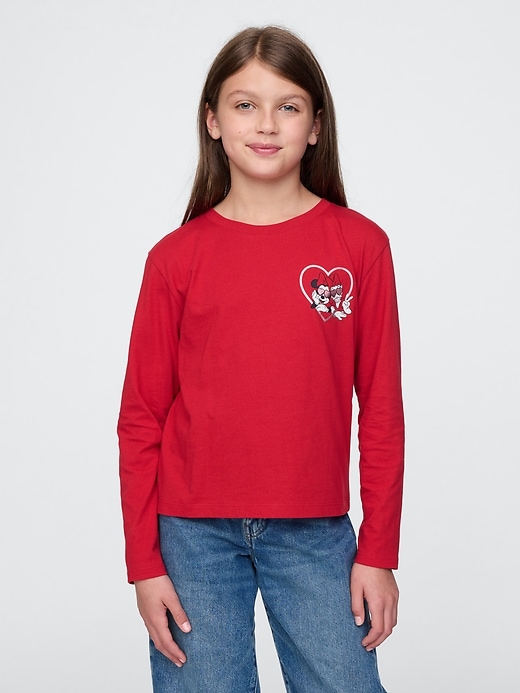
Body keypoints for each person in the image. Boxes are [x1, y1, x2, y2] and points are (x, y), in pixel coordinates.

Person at [118, 25, 405, 693]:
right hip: (191, 536)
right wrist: (144, 564)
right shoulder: (175, 259)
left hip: (316, 533)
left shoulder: (361, 246)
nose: (267, 124)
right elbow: (141, 419)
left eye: (288, 106)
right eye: (245, 105)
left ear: (316, 125)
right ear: (213, 121)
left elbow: (382, 409)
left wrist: (379, 550)